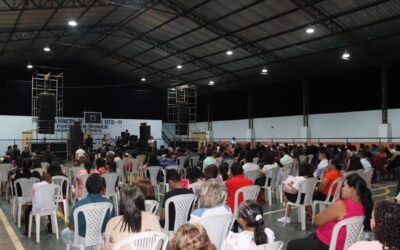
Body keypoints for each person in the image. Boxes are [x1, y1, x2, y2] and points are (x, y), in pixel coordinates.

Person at [287, 174, 373, 250]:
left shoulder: (342, 205)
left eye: (344, 186)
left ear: (353, 189)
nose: (341, 189)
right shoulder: (363, 207)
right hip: (343, 245)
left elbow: (317, 220)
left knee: (292, 245)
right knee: (309, 237)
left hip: (327, 243)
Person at [61, 174, 114, 246]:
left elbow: (71, 227)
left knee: (64, 233)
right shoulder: (109, 204)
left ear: (86, 187)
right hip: (100, 237)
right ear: (102, 187)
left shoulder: (78, 205)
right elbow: (112, 222)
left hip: (82, 239)